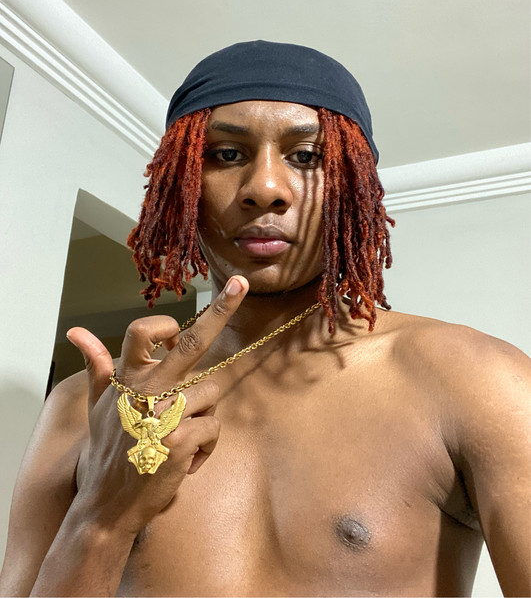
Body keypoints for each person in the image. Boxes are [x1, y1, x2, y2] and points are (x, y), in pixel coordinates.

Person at [0, 40, 529, 597]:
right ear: (180, 183)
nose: (264, 189)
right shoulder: (85, 406)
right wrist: (102, 518)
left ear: (355, 185)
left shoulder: (475, 378)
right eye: (227, 154)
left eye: (307, 156)